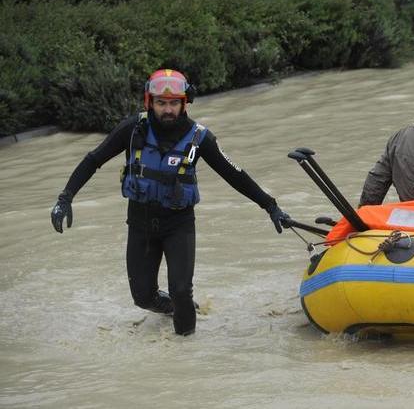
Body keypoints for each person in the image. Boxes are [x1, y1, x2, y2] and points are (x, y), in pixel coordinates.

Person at [49, 69, 290, 336]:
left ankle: (185, 352)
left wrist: (270, 205)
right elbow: (93, 159)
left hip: (178, 224)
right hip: (140, 223)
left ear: (185, 103)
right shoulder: (132, 129)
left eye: (174, 103)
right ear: (149, 102)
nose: (167, 110)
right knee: (142, 297)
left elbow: (234, 174)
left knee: (181, 290)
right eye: (161, 103)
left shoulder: (200, 138)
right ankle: (175, 309)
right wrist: (65, 198)